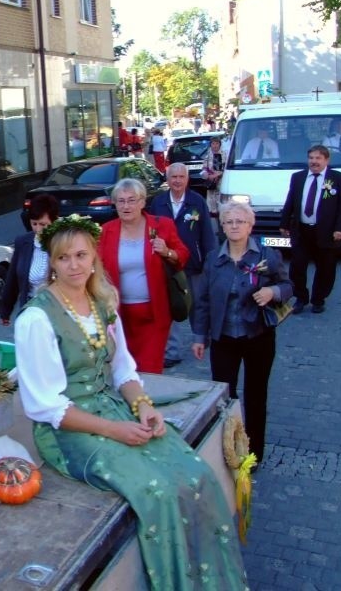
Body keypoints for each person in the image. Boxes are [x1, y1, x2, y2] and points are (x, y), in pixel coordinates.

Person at [14, 214, 248, 590]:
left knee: (196, 473)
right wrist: (117, 430)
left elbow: (123, 368)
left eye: (81, 255)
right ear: (52, 263)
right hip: (68, 430)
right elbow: (46, 407)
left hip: (113, 409)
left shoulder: (102, 302)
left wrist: (143, 406)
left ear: (94, 257)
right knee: (156, 491)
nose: (74, 265)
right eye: (63, 258)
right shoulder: (36, 319)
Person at [191, 201, 293, 463]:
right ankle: (226, 447)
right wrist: (200, 337)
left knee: (256, 395)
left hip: (257, 335)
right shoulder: (214, 259)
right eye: (229, 222)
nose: (234, 226)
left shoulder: (266, 256)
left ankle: (253, 452)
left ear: (250, 225)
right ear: (222, 226)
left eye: (240, 221)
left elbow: (288, 286)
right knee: (224, 396)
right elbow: (202, 300)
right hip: (224, 338)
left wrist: (273, 292)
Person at [98, 179, 189, 373]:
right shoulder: (107, 231)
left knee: (149, 370)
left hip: (154, 314)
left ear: (142, 202)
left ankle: (146, 402)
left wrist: (167, 252)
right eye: (120, 201)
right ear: (114, 204)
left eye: (131, 200)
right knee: (124, 369)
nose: (126, 206)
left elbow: (183, 256)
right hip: (120, 316)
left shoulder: (162, 225)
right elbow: (97, 268)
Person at [149, 163, 217, 369]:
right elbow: (150, 232)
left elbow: (207, 234)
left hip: (194, 264)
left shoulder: (197, 201)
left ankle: (202, 336)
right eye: (173, 177)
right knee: (172, 306)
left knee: (197, 304)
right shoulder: (158, 203)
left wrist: (210, 260)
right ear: (167, 180)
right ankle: (172, 351)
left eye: (181, 177)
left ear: (187, 179)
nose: (177, 181)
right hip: (168, 263)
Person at [279, 144, 341, 314]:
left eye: (318, 158)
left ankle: (318, 299)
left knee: (325, 267)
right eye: (311, 158)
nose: (314, 162)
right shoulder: (298, 177)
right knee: (297, 266)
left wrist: (340, 228)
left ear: (326, 160)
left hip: (326, 232)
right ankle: (300, 298)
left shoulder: (338, 179)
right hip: (302, 231)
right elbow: (290, 201)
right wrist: (284, 223)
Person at [0, 193, 60, 324]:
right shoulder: (23, 242)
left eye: (43, 225)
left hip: (57, 310)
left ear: (54, 221)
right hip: (30, 309)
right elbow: (12, 280)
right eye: (34, 224)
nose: (38, 229)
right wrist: (5, 311)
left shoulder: (62, 242)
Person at [201, 136, 227, 215]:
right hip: (211, 181)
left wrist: (217, 175)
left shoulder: (224, 154)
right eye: (213, 143)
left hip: (220, 181)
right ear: (210, 145)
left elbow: (224, 168)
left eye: (217, 143)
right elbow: (204, 167)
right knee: (211, 199)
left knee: (219, 198)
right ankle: (212, 213)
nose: (215, 145)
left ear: (220, 144)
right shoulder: (208, 155)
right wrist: (206, 174)